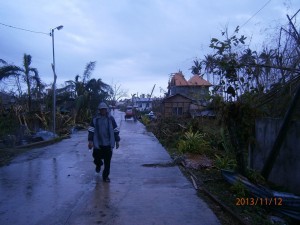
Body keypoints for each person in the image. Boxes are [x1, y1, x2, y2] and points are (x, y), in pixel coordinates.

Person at [88, 102, 120, 182]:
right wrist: (90, 141)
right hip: (98, 143)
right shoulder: (95, 119)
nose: (103, 111)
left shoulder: (111, 119)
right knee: (96, 157)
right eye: (101, 109)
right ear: (99, 110)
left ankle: (105, 177)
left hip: (108, 144)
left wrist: (117, 140)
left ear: (107, 110)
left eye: (104, 109)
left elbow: (115, 130)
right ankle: (98, 164)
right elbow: (91, 130)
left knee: (107, 162)